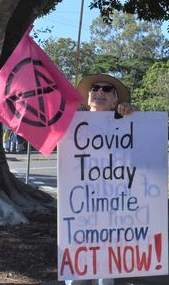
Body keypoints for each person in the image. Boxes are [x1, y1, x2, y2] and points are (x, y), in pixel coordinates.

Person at [65, 74, 136, 285]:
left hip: (112, 209)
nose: (100, 92)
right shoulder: (71, 123)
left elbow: (143, 144)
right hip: (78, 209)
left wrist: (134, 116)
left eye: (107, 90)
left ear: (116, 101)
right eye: (95, 88)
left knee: (105, 273)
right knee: (76, 274)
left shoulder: (126, 125)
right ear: (87, 98)